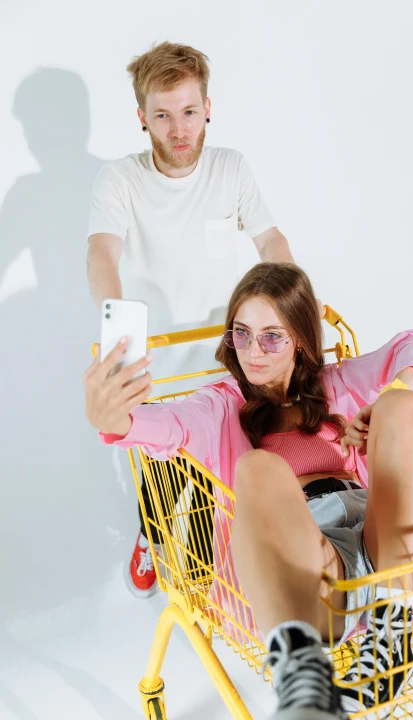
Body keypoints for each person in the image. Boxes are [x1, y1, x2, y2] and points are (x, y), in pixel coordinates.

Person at [84, 263, 413, 720]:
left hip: (387, 539)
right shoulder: (221, 408)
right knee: (256, 466)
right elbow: (166, 426)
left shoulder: (335, 385)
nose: (253, 351)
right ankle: (302, 677)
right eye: (243, 334)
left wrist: (386, 398)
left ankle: (391, 635)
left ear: (300, 339)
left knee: (404, 408)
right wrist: (115, 419)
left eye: (273, 337)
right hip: (313, 564)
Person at [87, 42, 294, 597]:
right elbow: (102, 253)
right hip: (158, 357)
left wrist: (292, 299)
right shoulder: (119, 181)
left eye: (188, 111)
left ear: (208, 107)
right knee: (162, 467)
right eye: (162, 114)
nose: (178, 129)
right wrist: (118, 333)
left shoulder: (231, 168)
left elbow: (269, 237)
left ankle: (200, 577)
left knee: (215, 468)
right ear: (141, 117)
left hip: (226, 355)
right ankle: (152, 537)